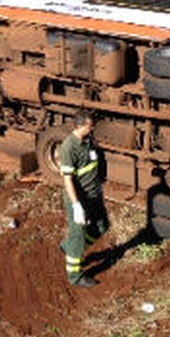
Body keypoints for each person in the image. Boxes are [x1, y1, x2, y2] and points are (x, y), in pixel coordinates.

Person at [57, 110, 109, 287]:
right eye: (90, 125)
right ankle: (75, 276)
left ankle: (69, 246)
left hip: (94, 194)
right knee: (78, 237)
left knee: (102, 226)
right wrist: (76, 205)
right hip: (79, 199)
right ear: (80, 126)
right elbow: (68, 179)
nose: (93, 127)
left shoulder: (88, 140)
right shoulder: (68, 147)